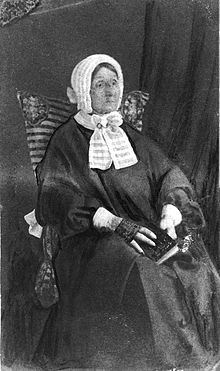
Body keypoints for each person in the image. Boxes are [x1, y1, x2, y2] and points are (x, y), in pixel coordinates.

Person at [33, 54, 220, 370]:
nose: (109, 91)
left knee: (197, 266)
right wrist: (109, 219)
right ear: (83, 91)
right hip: (89, 242)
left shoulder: (130, 135)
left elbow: (168, 173)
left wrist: (172, 209)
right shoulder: (65, 140)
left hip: (144, 230)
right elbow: (53, 195)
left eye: (114, 82)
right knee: (151, 274)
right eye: (99, 84)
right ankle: (180, 363)